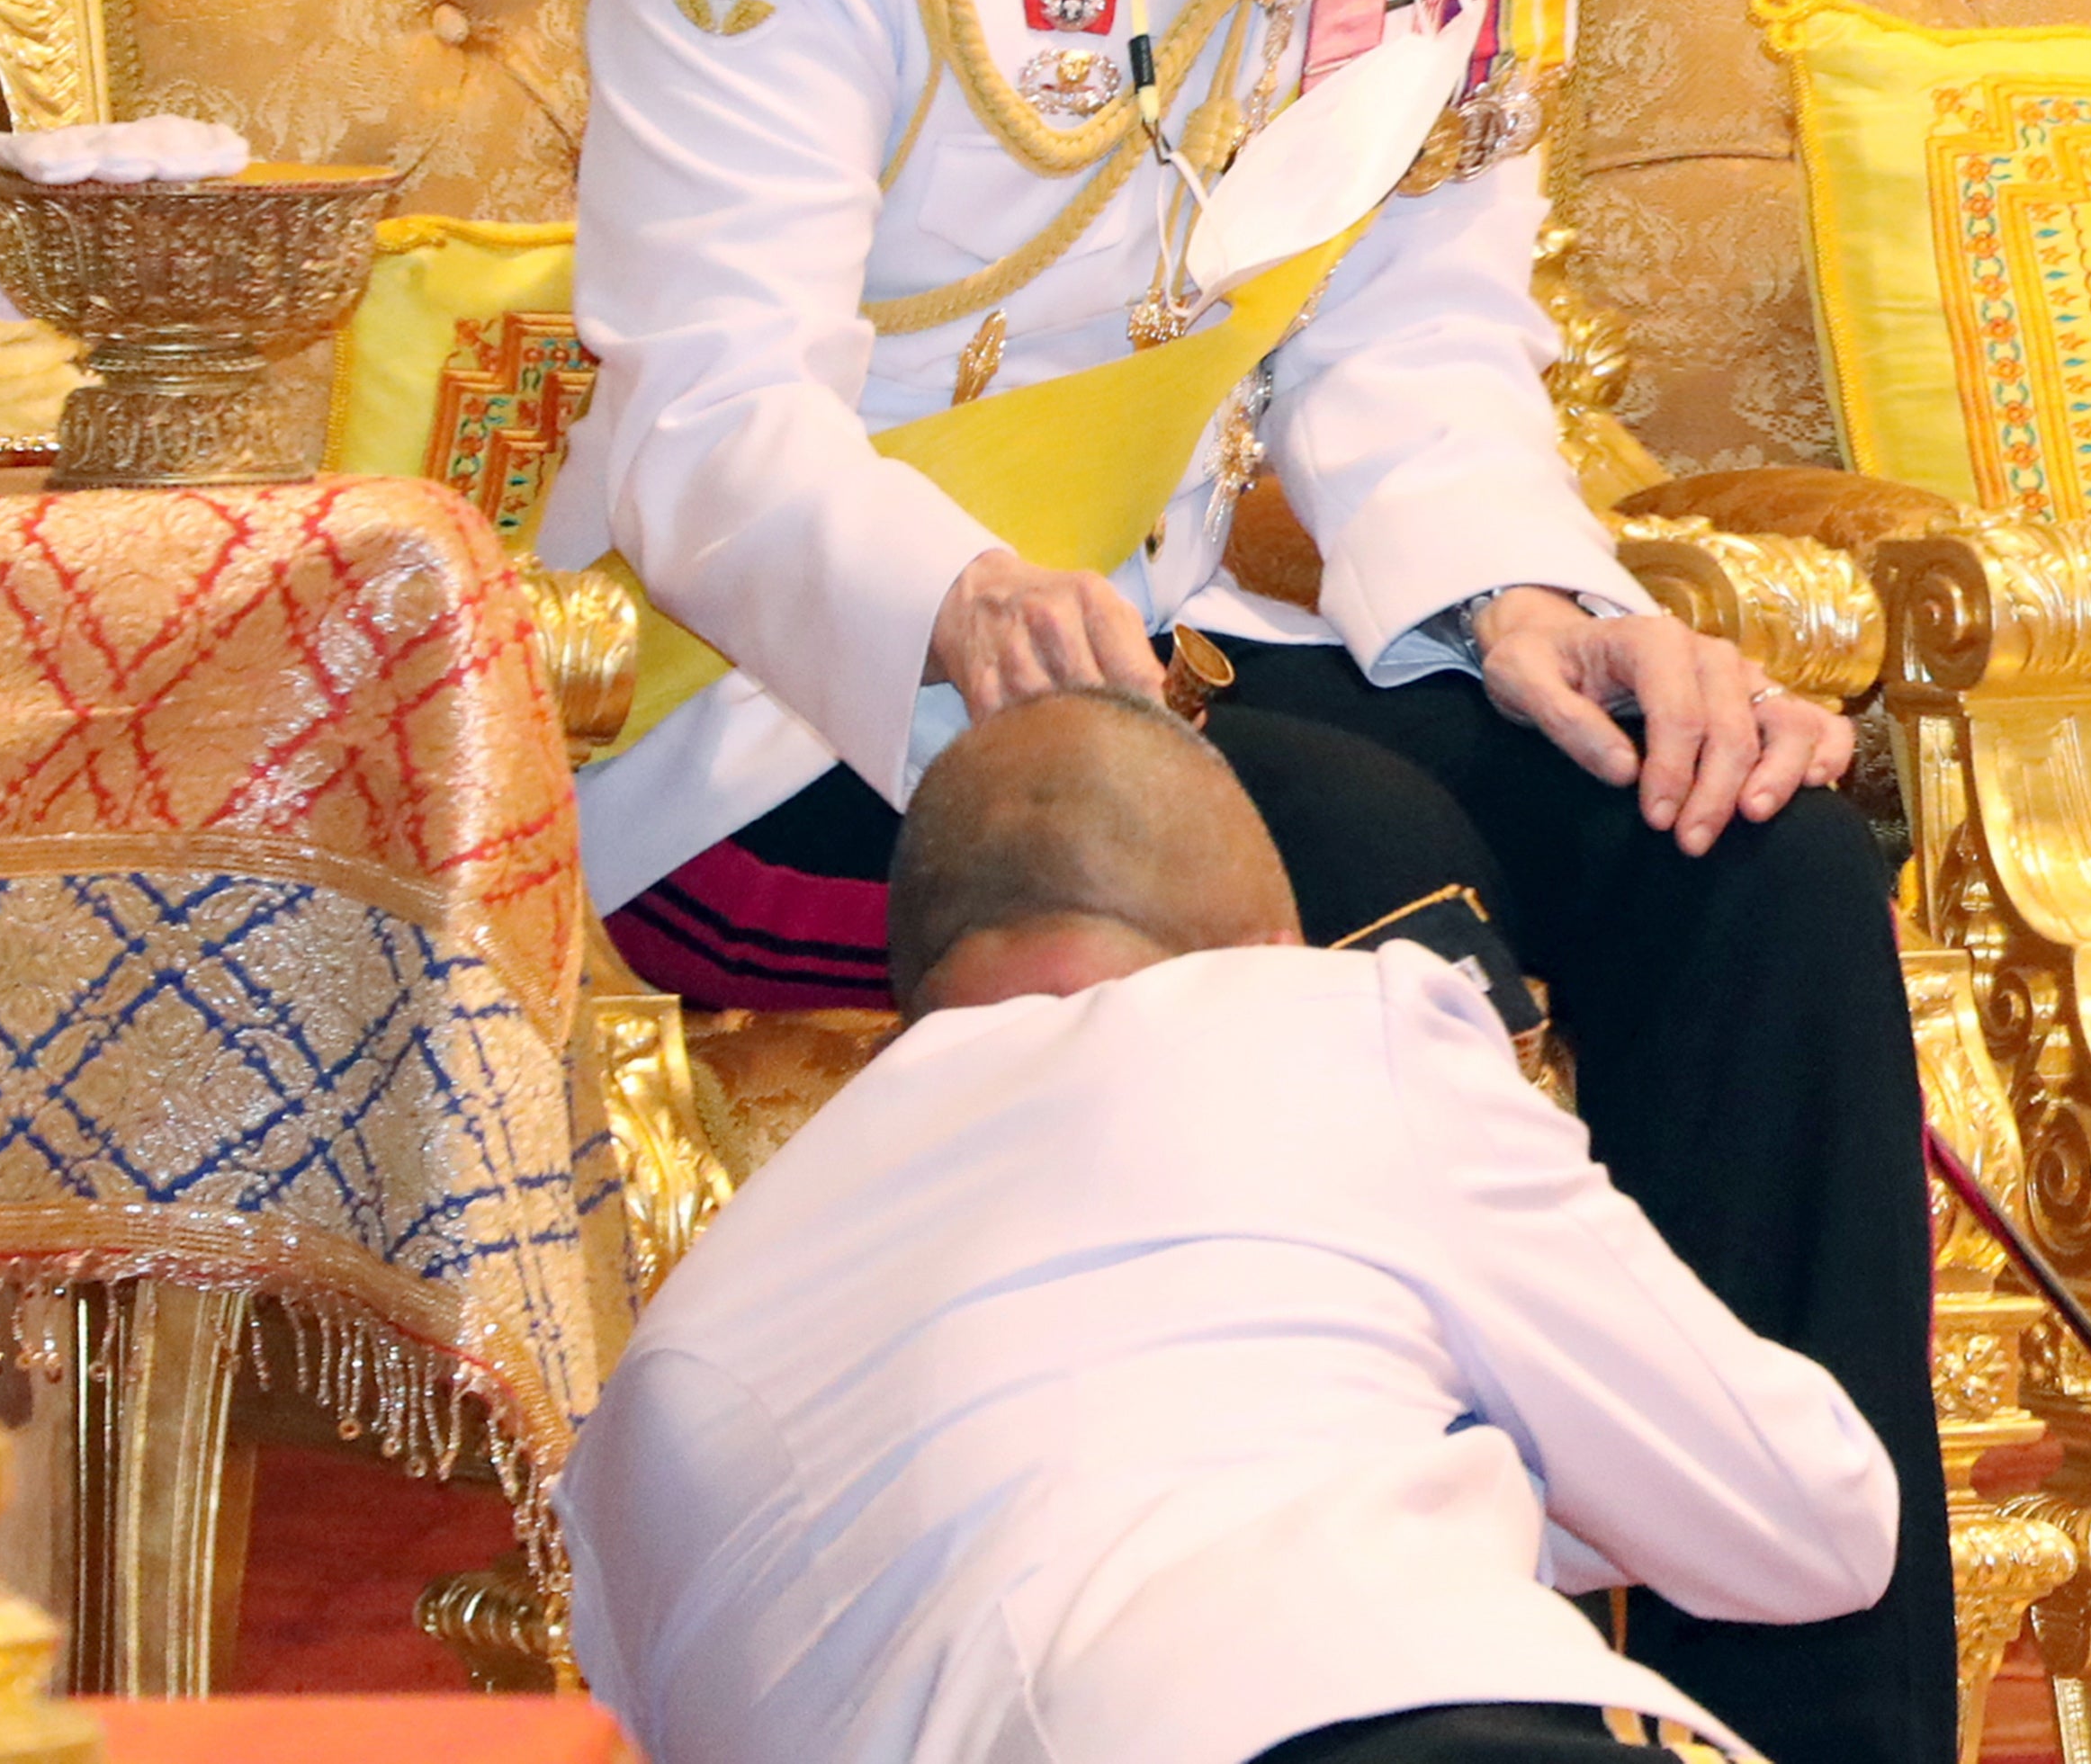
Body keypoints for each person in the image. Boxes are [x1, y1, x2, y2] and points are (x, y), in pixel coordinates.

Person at [539, 0, 1949, 1764]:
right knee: (1361, 861)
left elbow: (1412, 332)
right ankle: (1404, 1687)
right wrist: (947, 598)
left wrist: (1549, 609)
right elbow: (703, 417)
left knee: (1744, 849)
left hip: (1214, 643)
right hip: (819, 712)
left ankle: (1824, 1725)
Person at [560, 691, 1899, 1764]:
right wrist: (1476, 1436)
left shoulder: (652, 1384)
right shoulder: (1317, 1022)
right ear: (1275, 940)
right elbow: (1814, 1518)